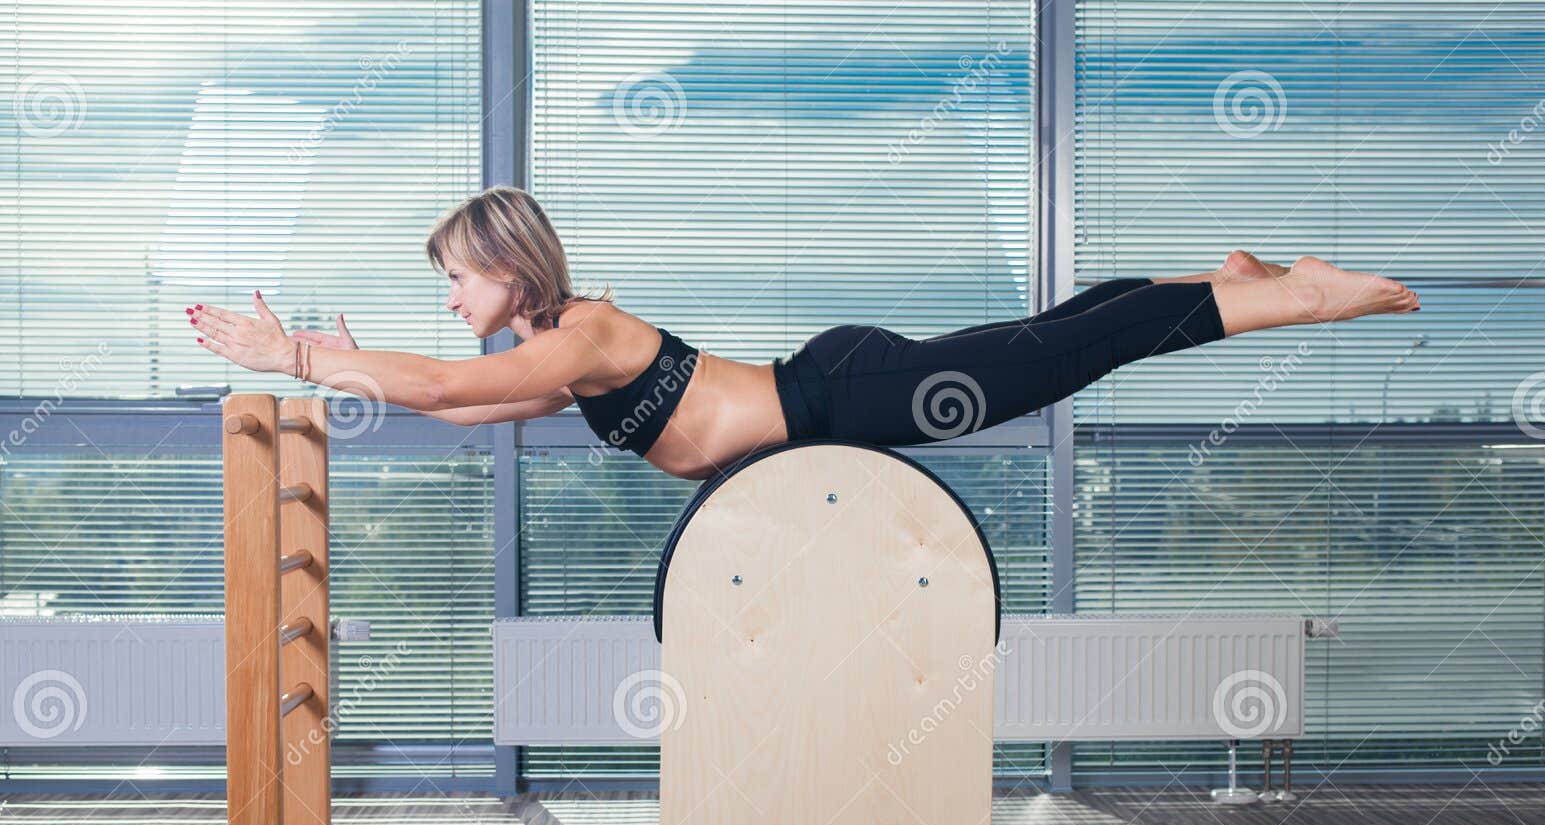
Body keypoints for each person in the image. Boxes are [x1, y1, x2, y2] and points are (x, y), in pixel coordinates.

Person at [187, 186, 1419, 482]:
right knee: (1044, 334)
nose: (451, 297)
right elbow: (459, 401)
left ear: (512, 269)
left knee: (1053, 354)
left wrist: (295, 357)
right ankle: (1226, 274)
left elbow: (456, 375)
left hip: (844, 399)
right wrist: (338, 366)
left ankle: (1298, 290)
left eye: (457, 277)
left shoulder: (588, 330)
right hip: (833, 381)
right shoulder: (553, 362)